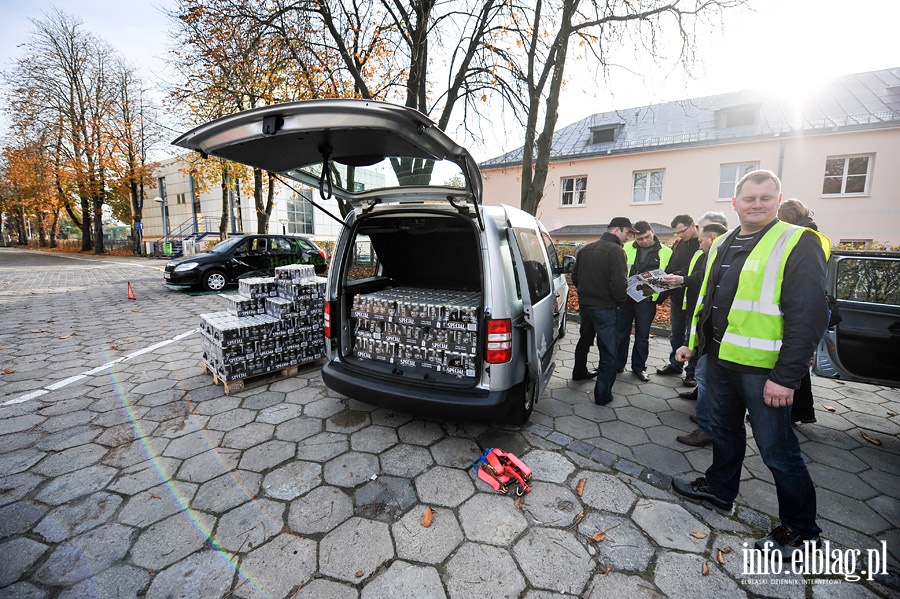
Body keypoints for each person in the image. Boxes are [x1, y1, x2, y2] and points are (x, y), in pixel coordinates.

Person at [672, 169, 829, 558]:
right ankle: (720, 490)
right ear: (735, 203)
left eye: (765, 197)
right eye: (749, 198)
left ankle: (802, 530)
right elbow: (711, 301)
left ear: (778, 200)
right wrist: (696, 346)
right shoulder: (723, 241)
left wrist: (787, 377)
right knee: (724, 431)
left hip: (764, 371)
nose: (756, 204)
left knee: (778, 451)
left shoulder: (797, 242)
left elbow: (808, 315)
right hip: (721, 359)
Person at [662, 222, 727, 446]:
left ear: (712, 237)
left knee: (707, 375)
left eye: (701, 241)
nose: (699, 245)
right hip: (700, 314)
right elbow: (694, 274)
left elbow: (703, 280)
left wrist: (683, 280)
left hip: (713, 326)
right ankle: (705, 418)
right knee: (704, 372)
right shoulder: (705, 253)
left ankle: (707, 426)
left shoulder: (720, 256)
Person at [777, 198, 832, 424]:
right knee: (799, 363)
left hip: (799, 308)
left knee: (794, 362)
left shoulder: (803, 238)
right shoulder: (811, 234)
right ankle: (801, 412)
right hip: (806, 305)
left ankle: (790, 413)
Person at [570, 217, 634, 404]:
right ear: (616, 231)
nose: (628, 237)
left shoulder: (585, 249)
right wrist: (620, 301)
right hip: (606, 308)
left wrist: (585, 295)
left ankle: (579, 372)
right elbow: (619, 283)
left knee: (585, 339)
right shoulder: (616, 251)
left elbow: (575, 276)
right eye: (627, 233)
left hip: (586, 306)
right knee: (608, 351)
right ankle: (602, 394)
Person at [616, 221, 672, 382]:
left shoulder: (666, 252)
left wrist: (656, 298)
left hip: (647, 300)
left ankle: (639, 368)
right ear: (634, 237)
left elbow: (670, 277)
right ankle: (618, 365)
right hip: (625, 298)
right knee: (621, 333)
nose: (644, 241)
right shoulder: (626, 248)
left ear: (652, 232)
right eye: (640, 239)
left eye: (647, 237)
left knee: (642, 336)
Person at [656, 215, 700, 381]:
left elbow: (697, 270)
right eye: (676, 233)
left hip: (693, 298)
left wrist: (679, 276)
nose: (680, 235)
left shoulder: (702, 244)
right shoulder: (679, 243)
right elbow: (672, 266)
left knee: (692, 336)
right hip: (677, 297)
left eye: (682, 231)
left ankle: (692, 373)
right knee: (676, 333)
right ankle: (675, 364)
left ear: (693, 225)